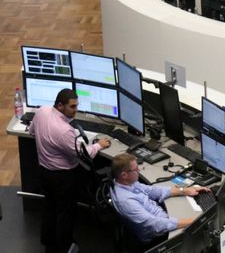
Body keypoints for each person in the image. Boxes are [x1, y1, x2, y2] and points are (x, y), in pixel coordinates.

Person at [29, 88, 111, 253]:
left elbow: (31, 131)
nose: (76, 110)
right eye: (73, 107)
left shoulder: (41, 111)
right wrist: (99, 145)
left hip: (44, 171)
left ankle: (48, 241)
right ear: (60, 106)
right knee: (65, 213)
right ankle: (65, 247)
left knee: (49, 207)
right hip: (62, 177)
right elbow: (82, 155)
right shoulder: (64, 130)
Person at [110, 153, 210, 246]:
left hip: (161, 218)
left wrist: (185, 190)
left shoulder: (127, 183)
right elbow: (155, 225)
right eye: (136, 169)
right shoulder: (126, 201)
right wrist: (194, 221)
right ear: (124, 175)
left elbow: (152, 191)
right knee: (202, 231)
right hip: (158, 235)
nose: (139, 170)